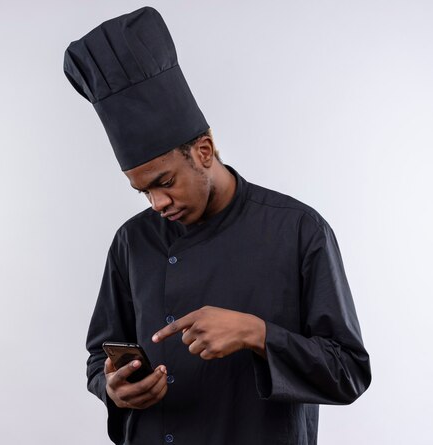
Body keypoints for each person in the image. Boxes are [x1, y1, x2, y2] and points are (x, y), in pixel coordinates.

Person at [64, 6, 371, 445]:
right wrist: (113, 388)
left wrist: (257, 333)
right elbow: (100, 357)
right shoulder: (132, 241)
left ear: (204, 151)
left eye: (165, 183)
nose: (158, 203)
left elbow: (349, 372)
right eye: (143, 192)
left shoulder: (299, 230)